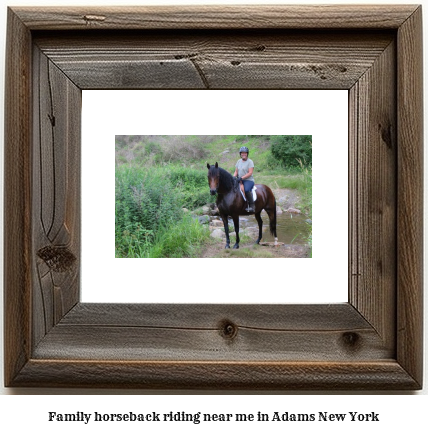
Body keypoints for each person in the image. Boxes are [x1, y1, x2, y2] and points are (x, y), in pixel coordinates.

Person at [233, 146, 255, 212]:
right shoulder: (238, 161)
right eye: (242, 153)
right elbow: (236, 171)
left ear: (247, 154)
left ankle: (252, 206)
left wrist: (241, 178)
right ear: (240, 154)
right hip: (239, 180)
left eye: (245, 153)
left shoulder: (250, 162)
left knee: (246, 189)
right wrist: (234, 177)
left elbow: (250, 173)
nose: (243, 154)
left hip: (248, 180)